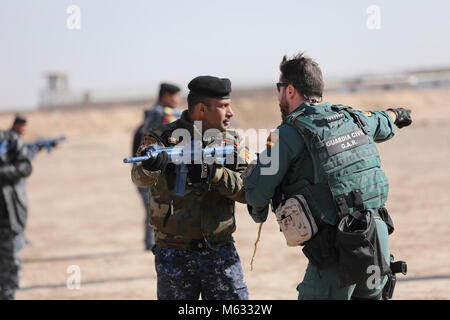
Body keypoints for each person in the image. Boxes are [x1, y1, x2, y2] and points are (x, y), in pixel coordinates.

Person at [242, 52, 412, 300]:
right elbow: (383, 120)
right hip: (377, 243)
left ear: (290, 90)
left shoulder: (284, 135)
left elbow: (257, 192)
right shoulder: (353, 117)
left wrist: (258, 211)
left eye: (279, 89)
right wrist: (397, 114)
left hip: (336, 252)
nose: (278, 95)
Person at [131, 75, 249, 300]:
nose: (231, 113)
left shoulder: (232, 142)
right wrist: (151, 168)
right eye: (224, 106)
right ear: (202, 109)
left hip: (220, 251)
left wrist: (215, 173)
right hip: (174, 253)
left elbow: (247, 191)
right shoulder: (160, 138)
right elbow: (139, 178)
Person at [132, 83, 181, 251]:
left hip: (152, 170)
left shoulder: (161, 114)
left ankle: (152, 242)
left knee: (155, 207)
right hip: (150, 170)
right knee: (153, 207)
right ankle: (152, 243)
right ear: (166, 96)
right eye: (175, 96)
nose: (178, 99)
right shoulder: (159, 114)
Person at [0, 128, 32, 300]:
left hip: (7, 213)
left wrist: (4, 171)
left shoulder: (10, 141)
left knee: (10, 260)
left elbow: (26, 167)